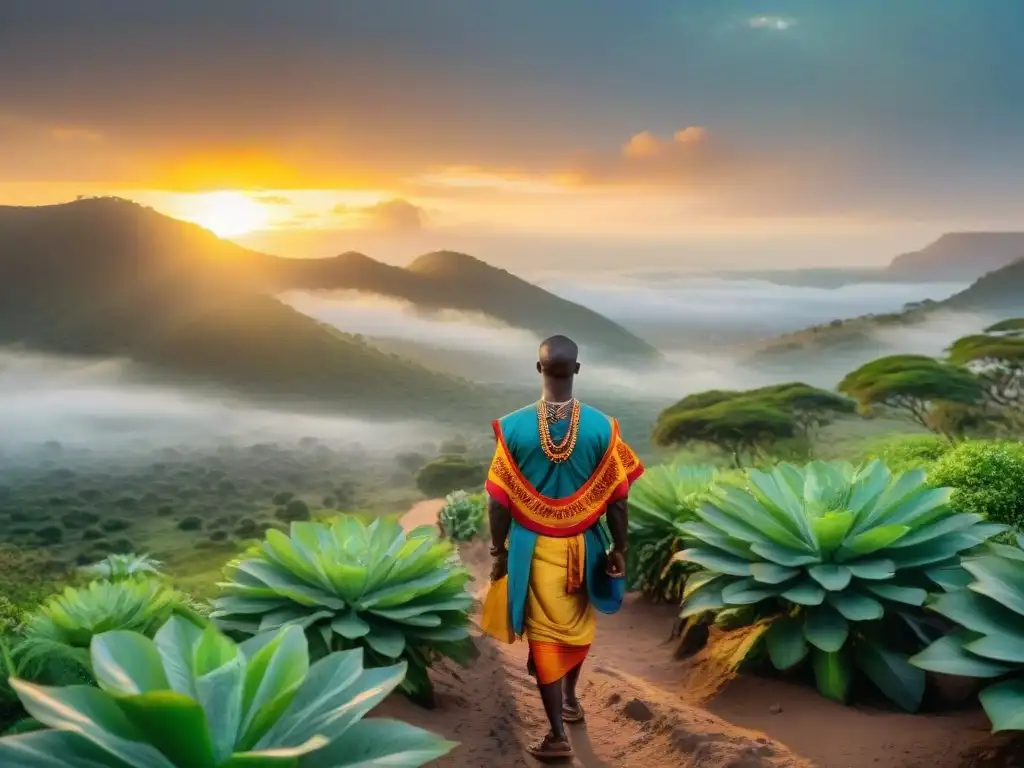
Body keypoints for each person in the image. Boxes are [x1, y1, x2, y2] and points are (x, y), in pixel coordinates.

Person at [482, 335, 643, 761]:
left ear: (539, 370)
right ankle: (570, 702)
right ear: (576, 369)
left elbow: (497, 502)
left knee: (545, 640)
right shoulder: (602, 427)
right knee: (575, 629)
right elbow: (620, 499)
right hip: (586, 547)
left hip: (531, 551)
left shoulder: (513, 427)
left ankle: (556, 735)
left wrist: (499, 552)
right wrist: (620, 548)